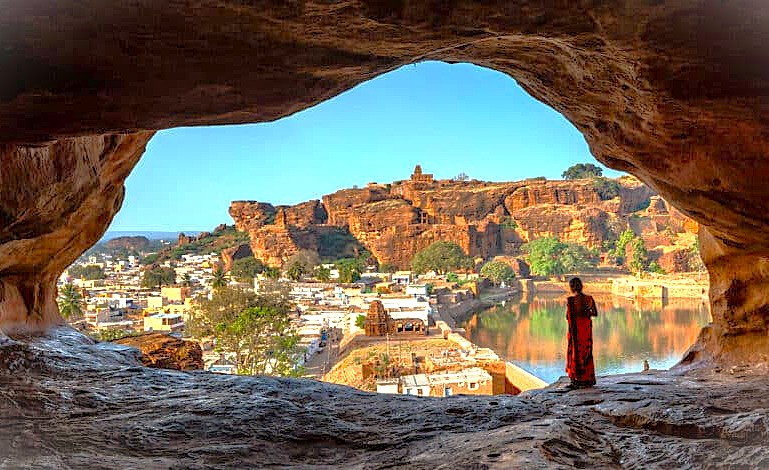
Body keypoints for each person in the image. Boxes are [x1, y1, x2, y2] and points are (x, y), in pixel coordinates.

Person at [565, 277, 598, 388]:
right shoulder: (589, 299)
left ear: (572, 288)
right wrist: (586, 312)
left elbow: (567, 316)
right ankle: (587, 379)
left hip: (576, 332)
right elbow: (594, 313)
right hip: (586, 331)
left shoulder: (571, 301)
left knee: (575, 353)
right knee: (586, 353)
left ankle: (575, 380)